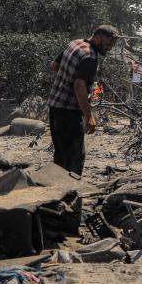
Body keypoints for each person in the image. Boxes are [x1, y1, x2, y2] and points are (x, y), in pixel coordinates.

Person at [47, 25, 119, 174]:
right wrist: (89, 116)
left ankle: (56, 186)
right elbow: (79, 86)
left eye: (112, 45)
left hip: (54, 107)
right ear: (98, 37)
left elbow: (54, 65)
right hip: (69, 112)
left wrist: (67, 75)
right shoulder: (90, 57)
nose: (109, 48)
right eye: (108, 44)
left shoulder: (75, 43)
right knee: (75, 157)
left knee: (61, 154)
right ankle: (71, 187)